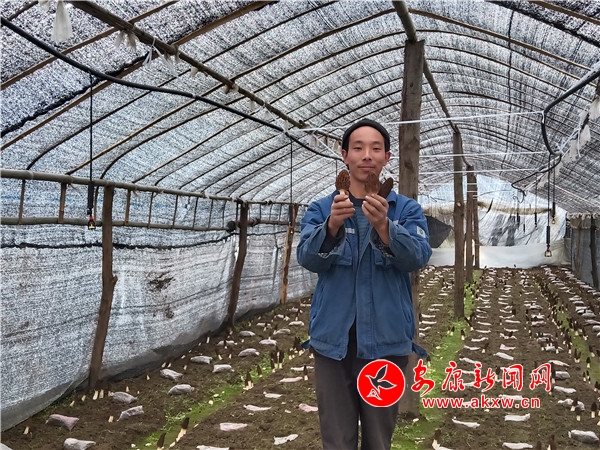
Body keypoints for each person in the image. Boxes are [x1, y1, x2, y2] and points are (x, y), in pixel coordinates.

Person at [297, 118, 432, 450]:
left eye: (375, 148)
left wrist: (386, 227)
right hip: (333, 345)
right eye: (357, 148)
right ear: (345, 156)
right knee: (337, 440)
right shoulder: (322, 209)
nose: (366, 155)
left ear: (387, 157)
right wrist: (331, 226)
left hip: (386, 345)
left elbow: (418, 257)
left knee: (378, 439)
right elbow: (307, 258)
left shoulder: (405, 210)